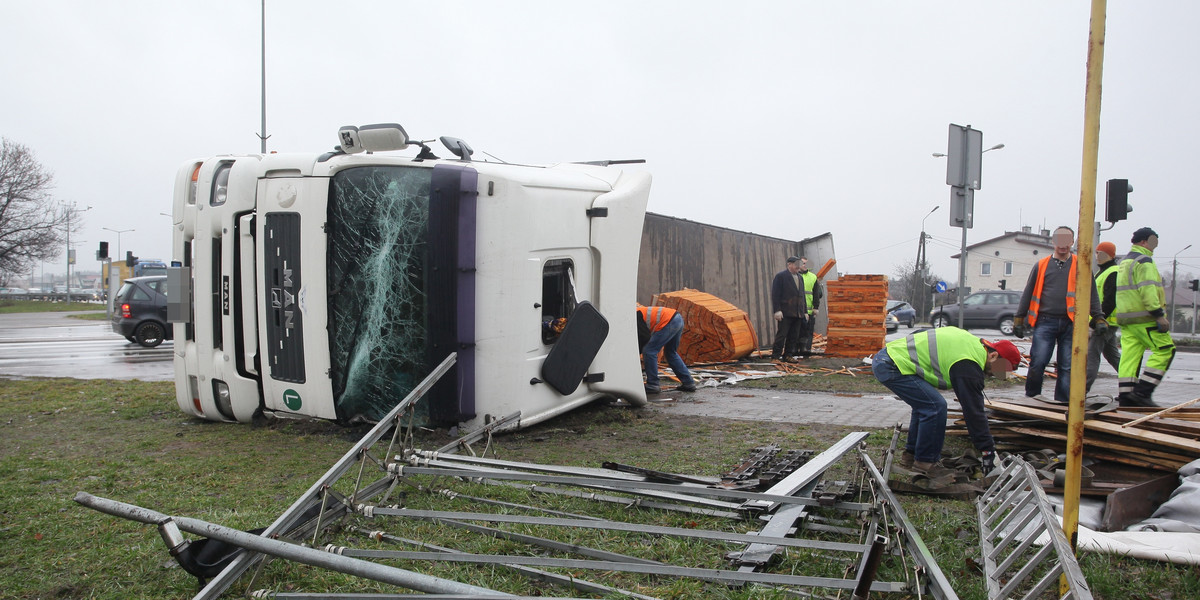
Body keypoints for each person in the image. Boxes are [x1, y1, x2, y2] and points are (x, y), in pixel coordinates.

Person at [871, 326, 1022, 479]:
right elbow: (973, 412)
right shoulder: (968, 364)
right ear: (994, 356)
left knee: (925, 406)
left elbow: (920, 335)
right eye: (1001, 371)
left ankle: (911, 455)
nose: (996, 376)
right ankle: (926, 464)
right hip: (891, 365)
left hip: (889, 358)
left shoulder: (973, 345)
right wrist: (988, 450)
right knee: (935, 407)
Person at [1012, 226, 1105, 405]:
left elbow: (1091, 293)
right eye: (1059, 241)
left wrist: (1098, 317)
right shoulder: (1041, 265)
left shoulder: (1081, 265)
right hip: (1045, 321)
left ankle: (1061, 403)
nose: (1063, 245)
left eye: (1066, 241)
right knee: (1038, 362)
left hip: (1071, 323)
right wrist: (1019, 318)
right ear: (1054, 242)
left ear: (1072, 242)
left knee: (1067, 367)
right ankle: (1032, 400)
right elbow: (1028, 292)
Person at [1114, 227, 1175, 407]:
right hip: (1145, 318)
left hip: (1127, 319)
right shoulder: (1144, 261)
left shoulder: (1125, 262)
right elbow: (1147, 290)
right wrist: (1158, 315)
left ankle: (1126, 396)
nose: (1154, 247)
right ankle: (1142, 392)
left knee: (1130, 356)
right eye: (1153, 242)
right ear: (1144, 242)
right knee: (1165, 349)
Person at [1086, 241, 1122, 393]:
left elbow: (1110, 300)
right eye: (1097, 253)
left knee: (1092, 354)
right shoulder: (1103, 271)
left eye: (1101, 254)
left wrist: (1098, 320)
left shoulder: (1113, 272)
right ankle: (1133, 384)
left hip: (1105, 323)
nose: (1098, 257)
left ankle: (1081, 389)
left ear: (1110, 255)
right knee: (1112, 356)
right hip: (1106, 322)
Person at [637, 305, 696, 394]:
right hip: (677, 318)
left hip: (668, 321)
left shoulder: (635, 316)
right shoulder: (637, 312)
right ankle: (688, 383)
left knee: (649, 351)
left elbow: (644, 337)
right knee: (670, 353)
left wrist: (637, 352)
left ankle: (653, 385)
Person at [770, 256, 807, 362]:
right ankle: (775, 356)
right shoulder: (781, 276)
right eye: (795, 264)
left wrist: (804, 311)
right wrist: (777, 310)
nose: (797, 267)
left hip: (797, 312)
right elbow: (775, 294)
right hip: (785, 312)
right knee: (782, 335)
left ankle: (788, 355)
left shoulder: (800, 277)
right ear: (789, 265)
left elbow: (802, 295)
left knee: (793, 336)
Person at [796, 257, 823, 356]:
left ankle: (806, 350)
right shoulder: (795, 276)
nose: (804, 265)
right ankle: (795, 349)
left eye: (806, 263)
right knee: (797, 331)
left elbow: (817, 293)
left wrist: (816, 307)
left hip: (809, 310)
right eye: (802, 263)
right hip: (797, 310)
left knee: (808, 331)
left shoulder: (813, 277)